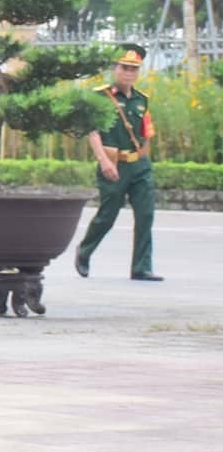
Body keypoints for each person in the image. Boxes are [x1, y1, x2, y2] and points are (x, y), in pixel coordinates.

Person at [76, 44, 163, 282]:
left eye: (134, 69)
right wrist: (104, 161)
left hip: (139, 166)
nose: (129, 73)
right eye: (125, 68)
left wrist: (144, 162)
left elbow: (146, 134)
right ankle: (84, 252)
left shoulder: (141, 100)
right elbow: (92, 132)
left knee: (146, 215)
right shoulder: (101, 97)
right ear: (115, 68)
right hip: (113, 165)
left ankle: (141, 267)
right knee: (108, 215)